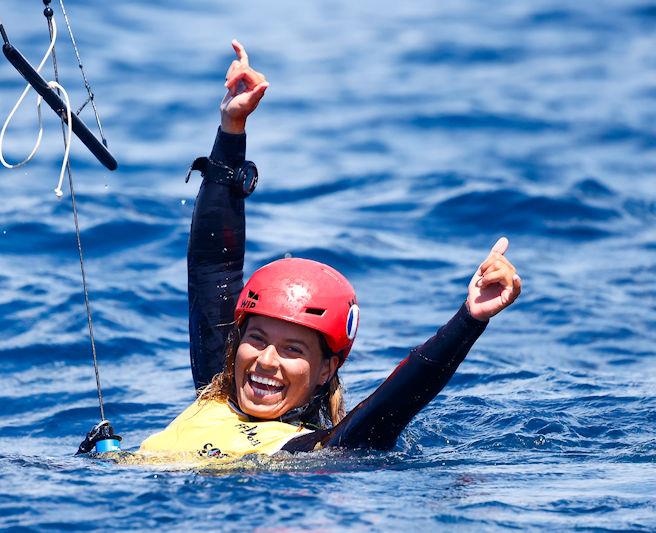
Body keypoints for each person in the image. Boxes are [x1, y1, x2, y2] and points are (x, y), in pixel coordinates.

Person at [135, 40, 522, 458]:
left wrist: (470, 318)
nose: (266, 360)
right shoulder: (214, 390)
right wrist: (232, 130)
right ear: (235, 344)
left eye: (293, 350)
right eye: (258, 339)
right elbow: (213, 265)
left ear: (326, 370)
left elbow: (397, 401)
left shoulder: (314, 449)